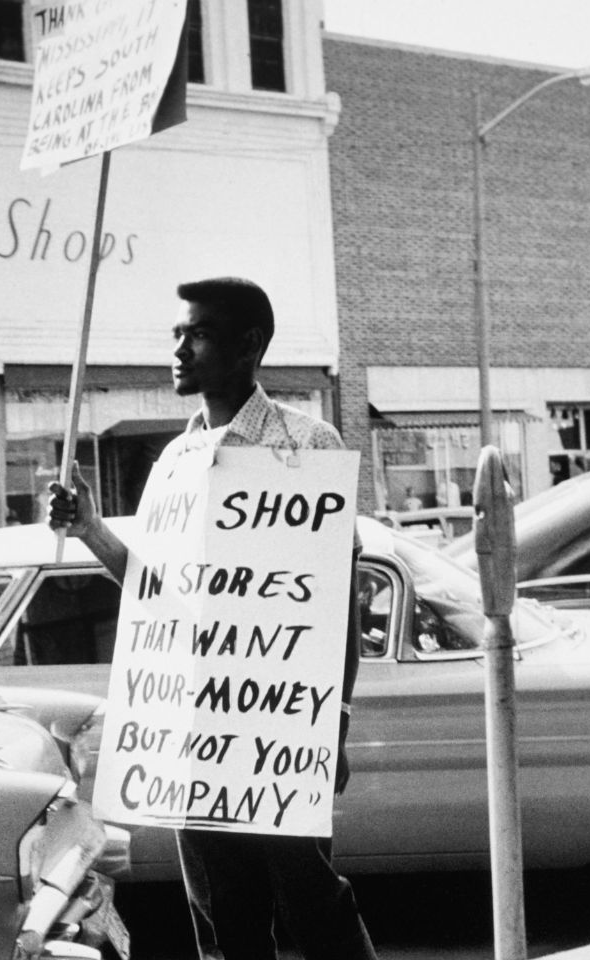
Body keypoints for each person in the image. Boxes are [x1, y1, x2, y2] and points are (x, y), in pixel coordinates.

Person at [48, 277, 376, 960]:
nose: (178, 349)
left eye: (195, 334)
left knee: (311, 901)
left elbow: (336, 593)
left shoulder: (306, 443)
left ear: (247, 346)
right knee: (223, 915)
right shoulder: (176, 460)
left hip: (278, 723)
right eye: (177, 334)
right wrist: (90, 531)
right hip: (195, 726)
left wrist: (332, 721)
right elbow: (157, 589)